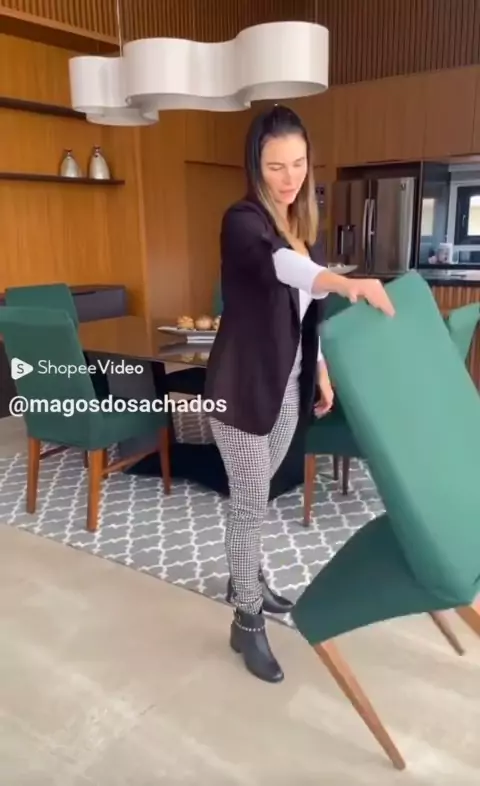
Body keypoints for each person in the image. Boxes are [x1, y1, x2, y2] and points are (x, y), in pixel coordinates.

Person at [204, 105, 394, 684]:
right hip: (239, 391)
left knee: (257, 499)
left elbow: (305, 311)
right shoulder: (243, 221)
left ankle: (250, 579)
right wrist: (344, 282)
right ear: (255, 166)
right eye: (275, 166)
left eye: (298, 163)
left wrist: (322, 373)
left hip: (285, 387)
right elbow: (283, 268)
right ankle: (246, 621)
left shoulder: (302, 229)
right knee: (247, 503)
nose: (289, 178)